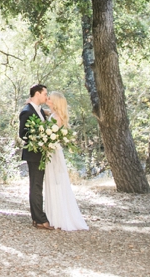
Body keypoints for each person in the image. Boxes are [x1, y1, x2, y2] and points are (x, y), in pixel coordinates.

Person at [43, 91, 89, 231]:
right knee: (52, 182)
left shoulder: (56, 118)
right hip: (52, 150)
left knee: (56, 182)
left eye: (49, 98)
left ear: (55, 102)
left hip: (53, 151)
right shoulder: (53, 115)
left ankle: (58, 217)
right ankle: (52, 214)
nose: (47, 98)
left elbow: (50, 134)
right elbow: (46, 113)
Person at [18, 84, 52, 229]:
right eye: (45, 94)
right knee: (36, 186)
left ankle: (37, 217)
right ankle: (39, 219)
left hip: (41, 153)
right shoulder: (26, 111)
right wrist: (40, 138)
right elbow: (23, 134)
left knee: (38, 185)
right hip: (34, 154)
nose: (46, 97)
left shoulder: (39, 111)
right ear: (37, 94)